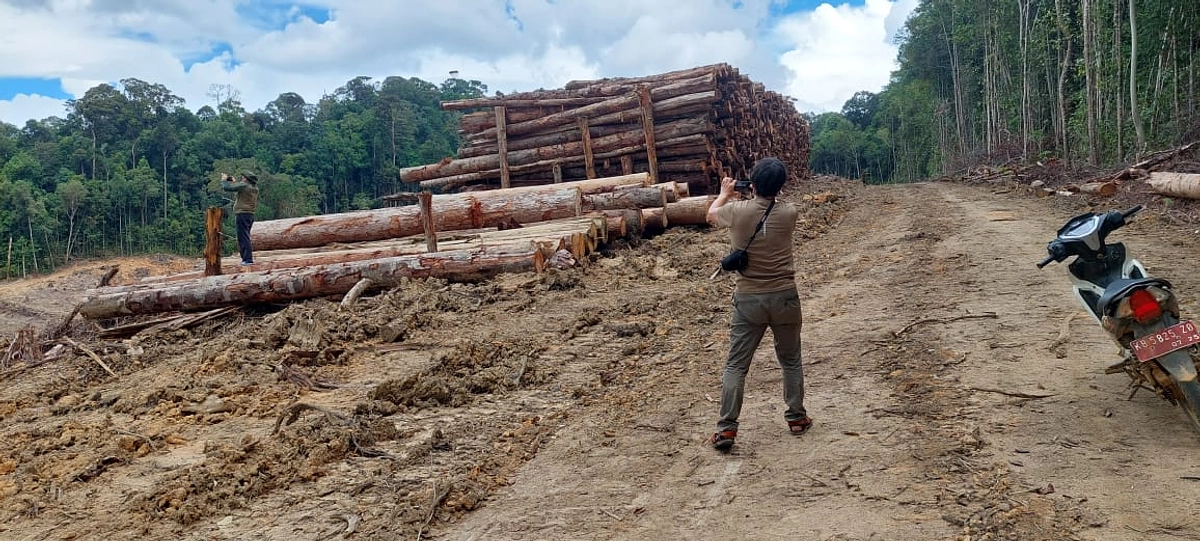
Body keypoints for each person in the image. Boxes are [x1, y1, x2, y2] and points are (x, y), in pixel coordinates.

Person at [706, 157, 810, 451]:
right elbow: (775, 203)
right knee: (790, 360)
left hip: (748, 298)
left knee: (736, 365)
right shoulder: (790, 212)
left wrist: (725, 193)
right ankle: (797, 417)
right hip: (785, 296)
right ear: (781, 185)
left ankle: (726, 429)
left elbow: (710, 215)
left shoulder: (736, 211)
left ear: (751, 183)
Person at [221, 171, 259, 266]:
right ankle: (246, 258)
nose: (242, 178)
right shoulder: (254, 188)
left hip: (242, 214)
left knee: (243, 237)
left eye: (243, 177)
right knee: (245, 236)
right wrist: (234, 182)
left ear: (246, 179)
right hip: (249, 214)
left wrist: (224, 180)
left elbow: (227, 188)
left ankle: (247, 259)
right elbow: (240, 187)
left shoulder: (244, 186)